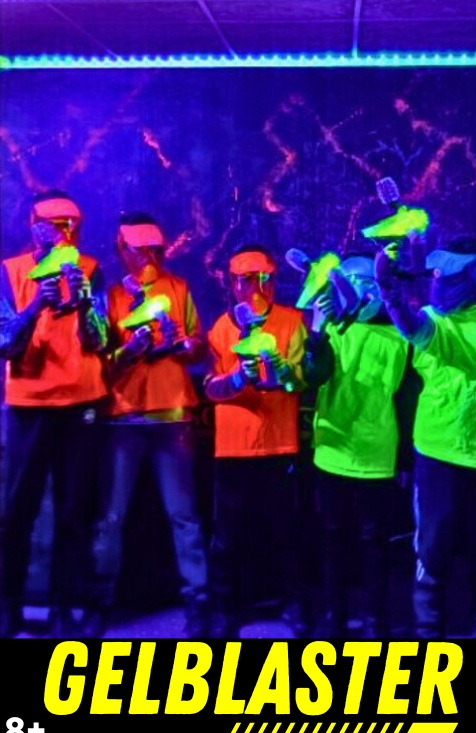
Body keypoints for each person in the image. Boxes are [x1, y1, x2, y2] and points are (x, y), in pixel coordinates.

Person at [87, 211, 209, 638]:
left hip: (172, 413)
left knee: (184, 515)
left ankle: (198, 603)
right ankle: (100, 603)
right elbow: (100, 362)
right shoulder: (109, 297)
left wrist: (181, 344)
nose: (149, 257)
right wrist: (132, 349)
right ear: (122, 250)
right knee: (110, 516)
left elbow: (198, 345)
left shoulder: (178, 288)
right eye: (140, 250)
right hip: (122, 418)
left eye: (155, 250)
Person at [375, 235, 476, 638]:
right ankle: (430, 638)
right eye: (438, 273)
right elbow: (416, 328)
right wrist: (392, 298)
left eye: (452, 274)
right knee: (432, 552)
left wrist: (395, 297)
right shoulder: (434, 317)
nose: (441, 281)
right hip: (437, 456)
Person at [0, 189, 109, 638]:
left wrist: (83, 305)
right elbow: (5, 342)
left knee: (73, 512)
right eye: (55, 224)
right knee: (16, 511)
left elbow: (101, 340)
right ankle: (9, 607)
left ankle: (66, 608)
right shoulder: (10, 271)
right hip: (28, 404)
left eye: (71, 224)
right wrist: (36, 305)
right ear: (35, 226)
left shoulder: (91, 270)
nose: (64, 232)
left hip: (81, 402)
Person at [302, 254, 411, 639]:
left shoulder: (401, 335)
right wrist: (317, 329)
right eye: (349, 281)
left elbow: (407, 402)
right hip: (332, 451)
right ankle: (334, 615)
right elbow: (314, 376)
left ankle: (374, 619)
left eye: (366, 282)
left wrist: (405, 460)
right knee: (333, 537)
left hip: (376, 454)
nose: (358, 289)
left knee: (374, 540)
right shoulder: (333, 328)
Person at [204, 244, 308, 638]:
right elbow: (209, 387)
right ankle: (224, 608)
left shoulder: (292, 322)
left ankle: (293, 603)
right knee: (228, 535)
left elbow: (303, 381)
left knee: (287, 530)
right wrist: (236, 379)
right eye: (246, 279)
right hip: (233, 446)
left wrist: (282, 376)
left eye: (264, 278)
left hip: (280, 443)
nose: (256, 287)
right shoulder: (220, 328)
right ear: (232, 283)